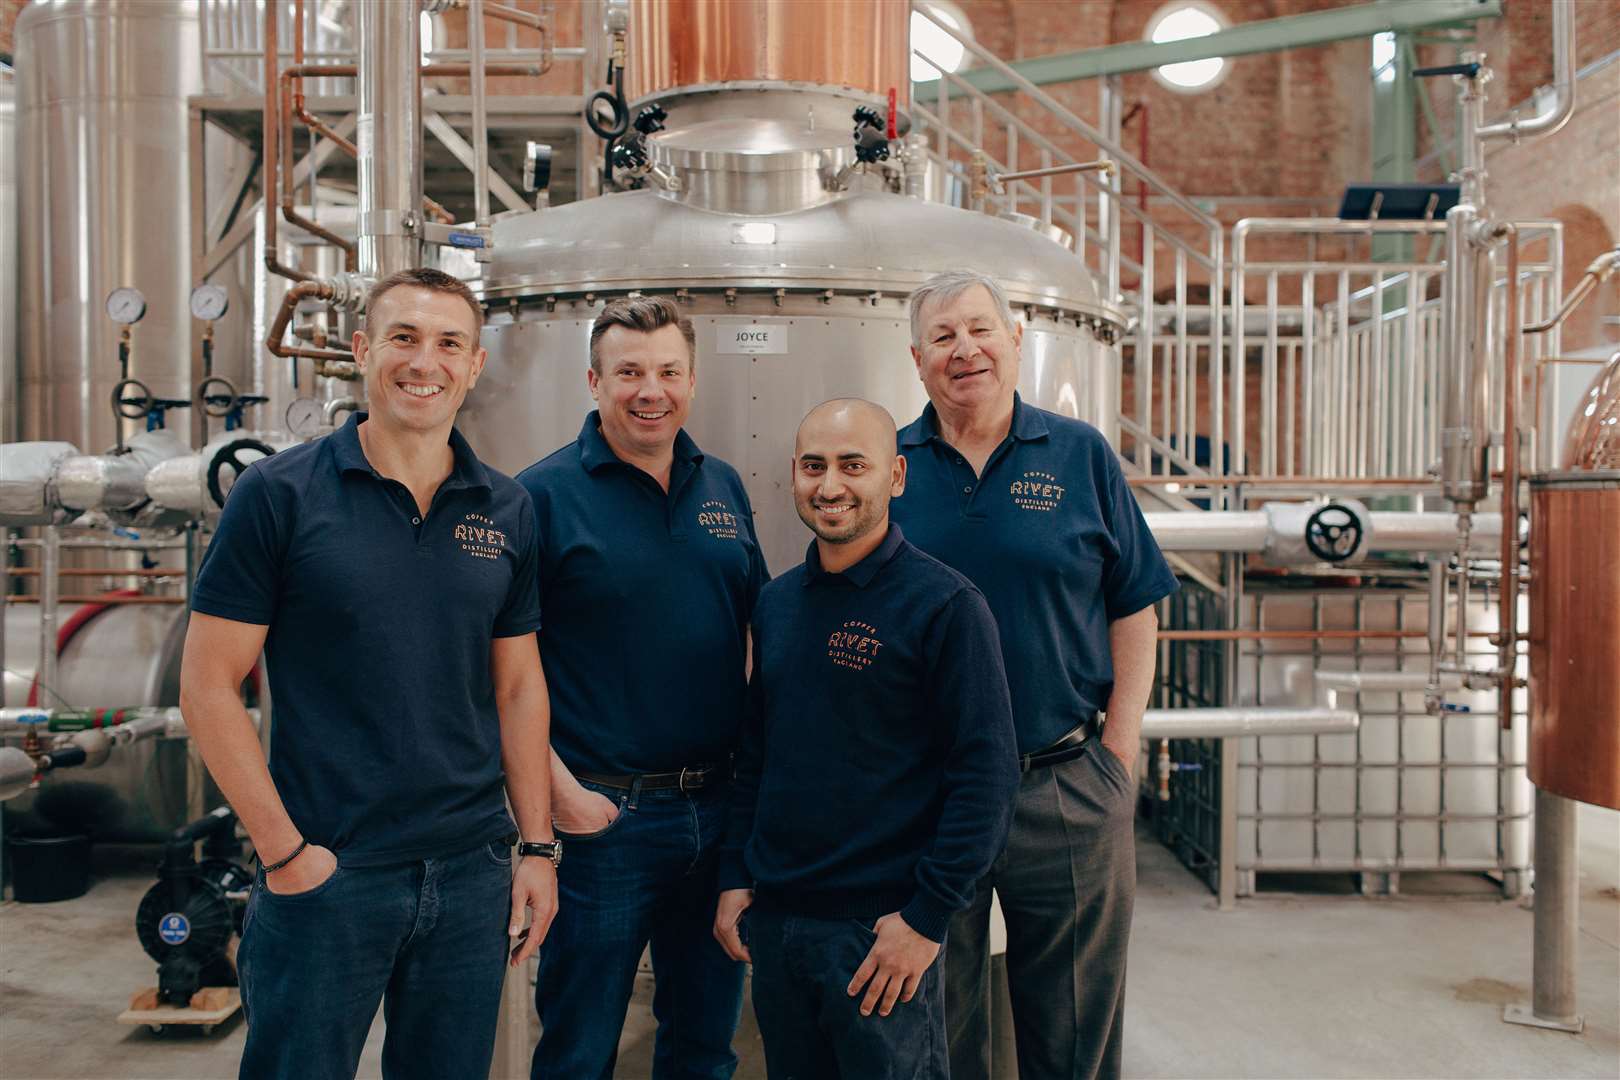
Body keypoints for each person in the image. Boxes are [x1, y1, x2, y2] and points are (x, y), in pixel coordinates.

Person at [180, 267, 559, 1080]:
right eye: (404, 338)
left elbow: (518, 687)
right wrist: (284, 855)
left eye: (448, 343)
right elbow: (209, 684)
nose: (426, 362)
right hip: (328, 871)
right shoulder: (278, 495)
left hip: (469, 873)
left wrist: (535, 847)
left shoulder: (506, 508)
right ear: (361, 351)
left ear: (475, 366)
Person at [891, 271, 1179, 1080]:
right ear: (917, 360)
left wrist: (1117, 755)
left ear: (1016, 341)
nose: (965, 350)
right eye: (943, 337)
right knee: (934, 1021)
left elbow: (1136, 606)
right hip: (929, 791)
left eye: (980, 330)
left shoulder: (1080, 453)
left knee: (1075, 1025)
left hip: (1064, 782)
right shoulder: (892, 468)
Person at [714, 398, 1019, 1080]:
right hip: (781, 919)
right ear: (793, 474)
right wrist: (737, 876)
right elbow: (758, 753)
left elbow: (987, 777)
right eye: (815, 466)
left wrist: (926, 919)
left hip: (881, 934)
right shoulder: (779, 602)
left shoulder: (945, 606)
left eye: (854, 466)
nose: (831, 486)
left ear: (896, 477)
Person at [518, 296, 769, 1080]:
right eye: (628, 372)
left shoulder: (721, 485)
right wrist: (560, 797)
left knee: (703, 1044)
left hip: (718, 816)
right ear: (594, 381)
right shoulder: (541, 496)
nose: (649, 390)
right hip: (603, 823)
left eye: (667, 372)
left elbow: (757, 636)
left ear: (692, 382)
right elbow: (498, 670)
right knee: (577, 1049)